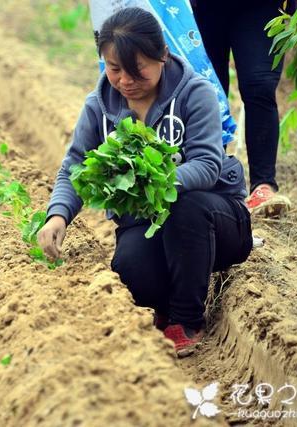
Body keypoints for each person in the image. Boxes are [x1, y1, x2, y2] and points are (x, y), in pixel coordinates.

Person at [37, 7, 253, 357]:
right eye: (114, 69)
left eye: (137, 70)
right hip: (147, 221)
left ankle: (186, 318)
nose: (124, 81)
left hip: (216, 218)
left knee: (185, 206)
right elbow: (74, 166)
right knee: (131, 272)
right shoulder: (99, 106)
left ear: (163, 56)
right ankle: (167, 299)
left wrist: (152, 178)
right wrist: (57, 215)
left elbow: (208, 165)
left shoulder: (194, 94)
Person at [192, 0, 293, 217]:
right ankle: (210, 180)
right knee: (205, 90)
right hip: (202, 8)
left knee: (260, 85)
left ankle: (263, 186)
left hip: (260, 7)